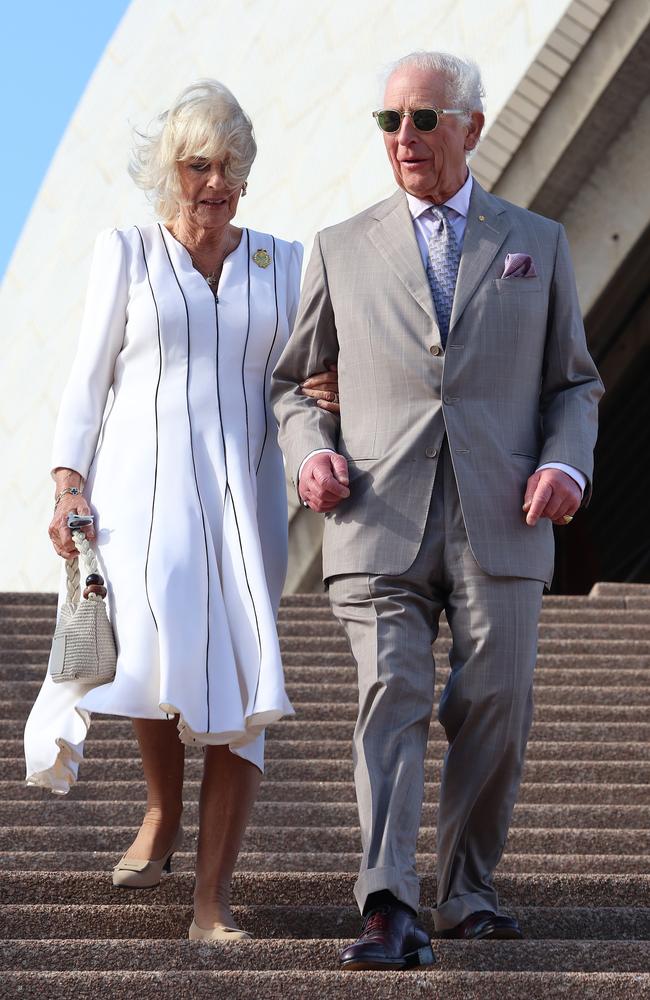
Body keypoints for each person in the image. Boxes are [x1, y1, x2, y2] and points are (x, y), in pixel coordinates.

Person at [272, 51, 603, 969]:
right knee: (395, 691)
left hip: (503, 513)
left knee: (496, 697)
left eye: (423, 120)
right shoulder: (341, 245)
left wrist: (566, 467)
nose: (405, 139)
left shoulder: (538, 239)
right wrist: (314, 454)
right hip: (377, 513)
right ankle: (387, 903)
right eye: (390, 123)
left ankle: (466, 892)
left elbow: (575, 384)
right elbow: (296, 382)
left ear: (472, 127)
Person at [24, 79, 338, 943]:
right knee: (150, 665)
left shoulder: (281, 260)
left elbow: (308, 376)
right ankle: (162, 812)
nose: (215, 181)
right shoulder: (125, 250)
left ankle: (211, 905)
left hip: (244, 498)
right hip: (136, 495)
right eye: (198, 164)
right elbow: (86, 382)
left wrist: (332, 395)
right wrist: (68, 484)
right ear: (171, 170)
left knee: (242, 682)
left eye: (229, 164)